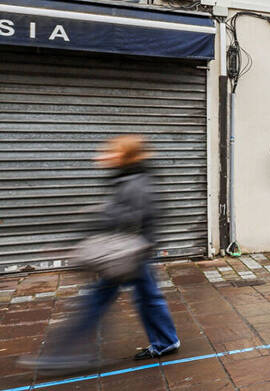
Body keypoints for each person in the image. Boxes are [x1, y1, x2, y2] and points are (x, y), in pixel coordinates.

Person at [22, 136, 180, 372]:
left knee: (96, 302)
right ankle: (167, 341)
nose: (102, 156)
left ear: (124, 156)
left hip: (126, 254)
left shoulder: (136, 183)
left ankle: (61, 356)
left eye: (110, 152)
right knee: (146, 298)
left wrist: (80, 235)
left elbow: (127, 218)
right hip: (131, 253)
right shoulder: (128, 178)